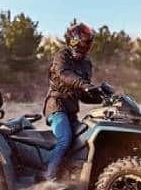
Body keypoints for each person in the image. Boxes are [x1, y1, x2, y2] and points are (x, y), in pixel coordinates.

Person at [42, 22, 103, 181]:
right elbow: (64, 75)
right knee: (65, 139)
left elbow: (83, 94)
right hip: (57, 107)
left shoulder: (86, 64)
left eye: (87, 42)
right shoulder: (62, 56)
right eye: (83, 41)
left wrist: (100, 95)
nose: (85, 45)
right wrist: (84, 85)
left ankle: (72, 177)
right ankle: (49, 178)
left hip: (71, 111)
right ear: (73, 41)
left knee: (85, 139)